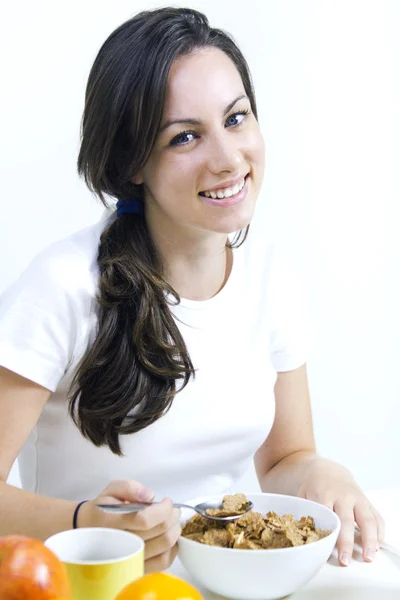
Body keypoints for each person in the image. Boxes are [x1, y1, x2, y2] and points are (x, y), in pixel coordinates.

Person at [0, 7, 384, 572]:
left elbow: (285, 459)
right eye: (185, 137)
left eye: (236, 119)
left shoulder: (270, 277)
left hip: (228, 580)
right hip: (94, 583)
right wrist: (87, 524)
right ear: (132, 163)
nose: (228, 159)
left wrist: (322, 472)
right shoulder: (62, 286)